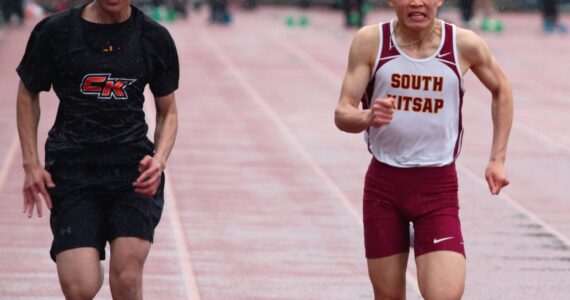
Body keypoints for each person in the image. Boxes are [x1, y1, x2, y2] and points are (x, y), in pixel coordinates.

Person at [334, 0, 513, 298]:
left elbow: (502, 89)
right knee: (389, 296)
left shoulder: (463, 44)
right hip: (384, 188)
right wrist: (367, 116)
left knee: (445, 295)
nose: (417, 2)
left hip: (437, 189)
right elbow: (342, 112)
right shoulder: (371, 41)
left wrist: (497, 159)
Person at [16, 0, 179, 298]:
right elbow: (28, 92)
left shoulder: (154, 37)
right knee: (81, 288)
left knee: (127, 279)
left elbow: (168, 112)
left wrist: (160, 159)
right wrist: (30, 162)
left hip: (132, 173)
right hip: (73, 170)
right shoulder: (56, 31)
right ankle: (89, 254)